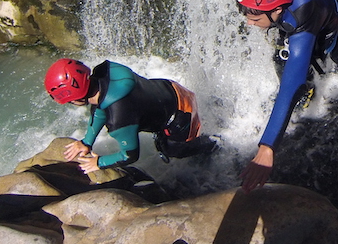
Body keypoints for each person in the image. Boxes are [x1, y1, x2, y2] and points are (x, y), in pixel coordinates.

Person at [235, 0, 338, 192]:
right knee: (278, 59)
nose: (249, 23)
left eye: (254, 18)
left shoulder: (300, 16)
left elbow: (290, 86)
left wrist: (267, 147)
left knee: (301, 69)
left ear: (277, 11)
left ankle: (313, 90)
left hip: (325, 25)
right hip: (309, 5)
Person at [44, 58, 216, 173]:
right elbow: (101, 107)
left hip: (181, 116)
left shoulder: (119, 120)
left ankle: (217, 143)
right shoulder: (106, 69)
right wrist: (86, 142)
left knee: (171, 149)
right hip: (172, 89)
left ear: (78, 98)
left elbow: (130, 155)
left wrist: (98, 163)